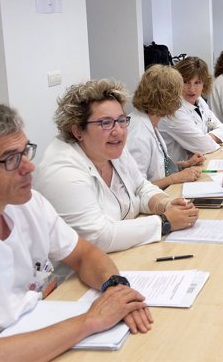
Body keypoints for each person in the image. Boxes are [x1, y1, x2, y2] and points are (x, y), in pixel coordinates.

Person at [0, 103, 152, 360]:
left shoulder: (27, 204)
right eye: (11, 159)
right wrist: (90, 321)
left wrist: (115, 288)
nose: (29, 167)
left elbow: (84, 255)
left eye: (25, 152)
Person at [35, 79, 200, 254]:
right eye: (105, 123)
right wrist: (165, 222)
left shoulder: (111, 150)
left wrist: (166, 204)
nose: (118, 131)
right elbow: (98, 237)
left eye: (121, 120)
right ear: (77, 131)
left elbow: (141, 187)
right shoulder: (62, 172)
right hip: (76, 276)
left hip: (124, 253)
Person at [127, 65, 203, 189]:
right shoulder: (138, 135)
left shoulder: (150, 120)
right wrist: (175, 178)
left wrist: (184, 165)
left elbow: (158, 168)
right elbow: (136, 189)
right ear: (169, 97)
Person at [159, 57, 223, 162]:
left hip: (196, 164)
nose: (192, 89)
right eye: (186, 82)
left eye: (197, 82)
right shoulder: (174, 109)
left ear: (204, 83)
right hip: (177, 172)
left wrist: (205, 138)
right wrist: (206, 140)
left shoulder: (200, 102)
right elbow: (204, 146)